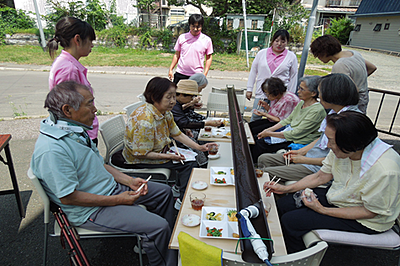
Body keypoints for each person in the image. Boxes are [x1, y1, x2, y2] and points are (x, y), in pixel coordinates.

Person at [30, 81, 177, 266]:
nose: (95, 109)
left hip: (108, 189)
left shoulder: (73, 131)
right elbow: (68, 197)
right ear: (67, 110)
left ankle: (161, 245)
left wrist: (129, 180)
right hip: (91, 209)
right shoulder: (52, 150)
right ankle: (163, 255)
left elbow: (98, 163)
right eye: (90, 103)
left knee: (164, 193)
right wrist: (119, 200)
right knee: (159, 226)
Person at [264, 111, 400, 254]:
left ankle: (297, 258)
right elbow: (320, 177)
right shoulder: (345, 148)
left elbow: (369, 212)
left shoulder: (385, 170)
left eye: (331, 141)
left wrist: (322, 210)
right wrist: (285, 189)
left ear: (351, 143)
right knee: (282, 205)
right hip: (342, 198)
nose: (328, 145)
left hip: (367, 220)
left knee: (291, 221)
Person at [112, 77, 211, 209]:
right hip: (136, 159)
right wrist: (169, 156)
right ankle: (182, 202)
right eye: (168, 97)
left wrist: (199, 147)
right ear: (154, 97)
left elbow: (177, 133)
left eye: (174, 97)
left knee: (192, 155)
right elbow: (142, 154)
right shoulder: (145, 121)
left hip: (159, 150)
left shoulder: (164, 112)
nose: (173, 101)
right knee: (189, 163)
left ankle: (179, 189)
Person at [259, 73, 360, 182]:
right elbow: (320, 139)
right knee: (263, 159)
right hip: (310, 156)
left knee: (265, 173)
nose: (319, 96)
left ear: (332, 94)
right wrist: (300, 152)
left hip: (316, 166)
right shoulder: (333, 113)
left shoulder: (348, 122)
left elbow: (336, 160)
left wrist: (304, 159)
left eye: (320, 93)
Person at [47, 16, 99, 145]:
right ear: (77, 39)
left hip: (81, 133)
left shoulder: (67, 64)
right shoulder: (68, 69)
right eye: (90, 40)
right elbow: (70, 110)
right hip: (80, 135)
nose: (92, 45)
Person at [250, 76, 326, 163]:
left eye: (302, 89)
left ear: (313, 93)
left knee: (260, 144)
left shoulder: (317, 111)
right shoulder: (301, 103)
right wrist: (268, 130)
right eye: (299, 88)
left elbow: (297, 133)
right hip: (289, 132)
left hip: (297, 140)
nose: (298, 92)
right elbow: (287, 120)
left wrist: (270, 133)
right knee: (257, 137)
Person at [310, 35, 377, 113]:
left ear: (324, 52)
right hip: (363, 99)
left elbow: (352, 89)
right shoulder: (353, 53)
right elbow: (372, 67)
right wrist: (359, 79)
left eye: (317, 54)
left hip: (350, 105)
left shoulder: (340, 65)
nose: (318, 57)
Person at [246, 29, 298, 122]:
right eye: (277, 41)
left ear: (287, 42)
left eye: (283, 41)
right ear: (272, 41)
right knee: (256, 116)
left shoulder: (291, 56)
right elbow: (253, 71)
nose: (279, 44)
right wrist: (249, 89)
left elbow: (293, 76)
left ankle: (271, 135)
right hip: (263, 92)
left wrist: (290, 94)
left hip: (280, 94)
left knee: (277, 119)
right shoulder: (262, 53)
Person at [168, 14, 213, 84]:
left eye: (198, 27)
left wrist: (205, 74)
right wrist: (171, 69)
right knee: (176, 94)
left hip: (196, 75)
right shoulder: (182, 37)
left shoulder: (206, 40)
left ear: (202, 26)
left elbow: (209, 57)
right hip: (181, 73)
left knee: (193, 95)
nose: (195, 29)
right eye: (193, 26)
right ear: (189, 25)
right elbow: (177, 54)